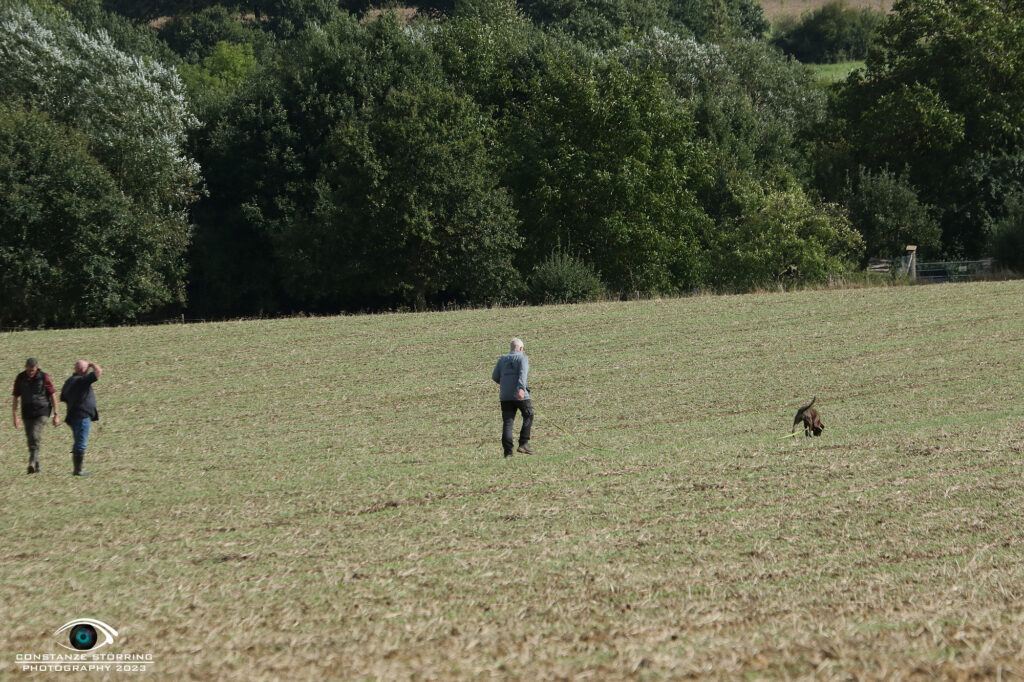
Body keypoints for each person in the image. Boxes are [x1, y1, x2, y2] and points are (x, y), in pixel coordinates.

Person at [12, 357, 60, 474]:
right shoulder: (20, 378)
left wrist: (56, 414)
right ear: (25, 368)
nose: (30, 372)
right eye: (28, 370)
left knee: (35, 435)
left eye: (32, 370)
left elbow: (52, 394)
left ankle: (32, 462)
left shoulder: (44, 377)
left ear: (36, 368)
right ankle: (37, 466)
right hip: (27, 412)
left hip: (42, 411)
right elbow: (15, 396)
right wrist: (15, 416)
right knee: (30, 439)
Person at [491, 337, 534, 458]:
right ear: (521, 348)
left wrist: (506, 385)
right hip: (520, 395)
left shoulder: (502, 359)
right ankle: (523, 443)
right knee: (529, 415)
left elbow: (495, 376)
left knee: (508, 422)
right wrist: (521, 388)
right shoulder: (522, 358)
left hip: (505, 396)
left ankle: (508, 452)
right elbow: (523, 374)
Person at [60, 360, 102, 477]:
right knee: (81, 443)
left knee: (78, 441)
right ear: (82, 370)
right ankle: (78, 471)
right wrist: (92, 364)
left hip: (72, 416)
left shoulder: (69, 381)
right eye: (86, 369)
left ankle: (77, 469)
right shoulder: (82, 381)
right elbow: (98, 372)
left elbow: (63, 397)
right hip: (82, 416)